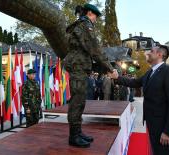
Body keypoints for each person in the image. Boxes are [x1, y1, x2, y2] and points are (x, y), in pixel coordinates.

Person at [110, 45, 169, 155]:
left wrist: (168, 132)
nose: (148, 53)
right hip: (152, 121)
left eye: (151, 51)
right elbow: (135, 83)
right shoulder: (150, 72)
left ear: (160, 55)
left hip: (162, 124)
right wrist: (117, 78)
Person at [63, 3, 114, 148]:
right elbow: (95, 49)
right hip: (78, 67)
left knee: (80, 101)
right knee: (77, 101)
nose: (96, 20)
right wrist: (109, 68)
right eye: (96, 17)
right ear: (90, 13)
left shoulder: (81, 25)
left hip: (80, 66)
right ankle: (73, 136)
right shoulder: (85, 25)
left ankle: (78, 132)